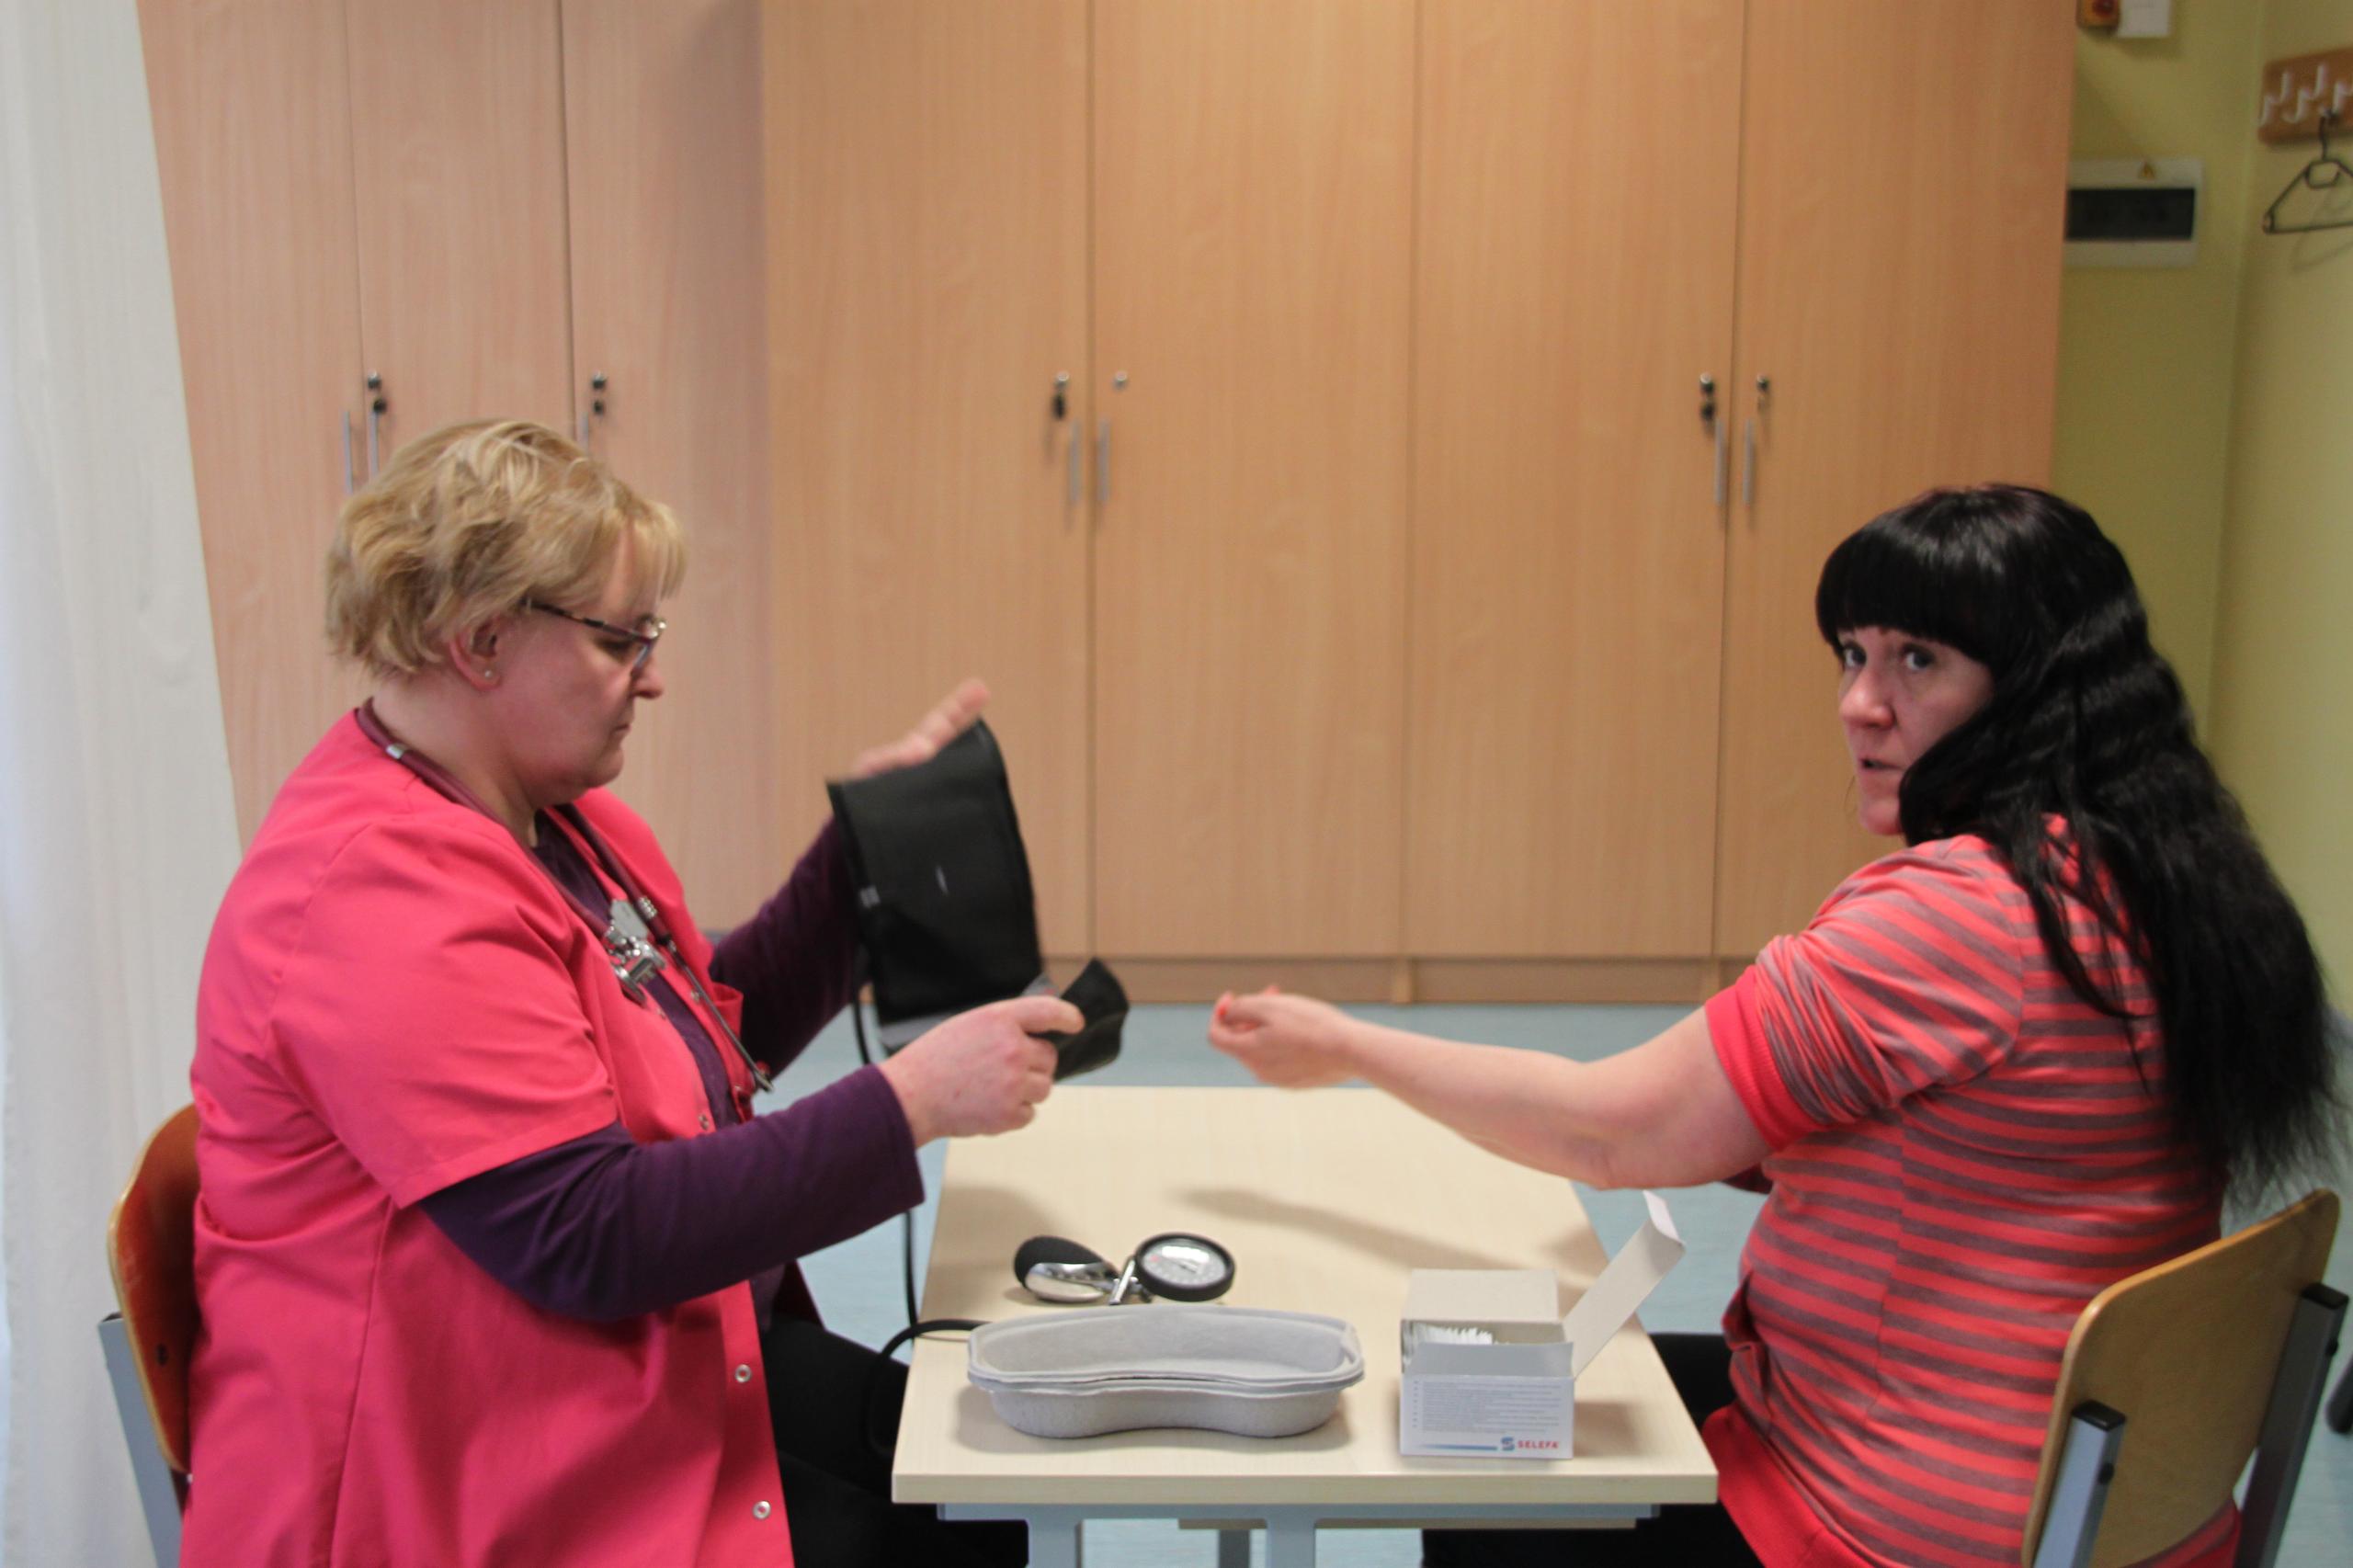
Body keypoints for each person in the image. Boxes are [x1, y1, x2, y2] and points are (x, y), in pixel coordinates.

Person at [1209, 485, 2341, 1568]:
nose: (1860, 702)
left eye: (1918, 659)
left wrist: (1348, 1044)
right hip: (2105, 1504)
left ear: (2041, 686)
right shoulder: (2172, 885)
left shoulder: (1958, 915)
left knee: (1493, 1470)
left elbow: (1611, 1132)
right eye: (1852, 653)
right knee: (1588, 1382)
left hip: (1891, 1519)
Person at [185, 419, 1074, 1567]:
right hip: (455, 1467)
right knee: (953, 1535)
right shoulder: (375, 897)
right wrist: (908, 1104)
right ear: (482, 640)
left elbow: (704, 1052)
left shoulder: (553, 820)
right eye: (620, 640)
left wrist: (861, 861)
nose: (651, 677)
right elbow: (588, 1234)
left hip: (596, 1362)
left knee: (984, 1493)